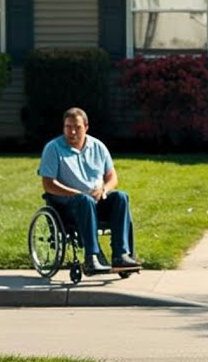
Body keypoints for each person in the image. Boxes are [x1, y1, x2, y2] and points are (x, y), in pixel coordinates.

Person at [38, 107, 142, 275]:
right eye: (67, 127)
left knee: (121, 197)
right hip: (68, 206)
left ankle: (121, 254)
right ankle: (91, 257)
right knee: (84, 200)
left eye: (77, 127)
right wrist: (75, 193)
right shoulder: (53, 148)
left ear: (86, 127)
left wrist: (104, 189)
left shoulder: (98, 147)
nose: (72, 132)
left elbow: (112, 177)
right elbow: (48, 184)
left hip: (96, 201)